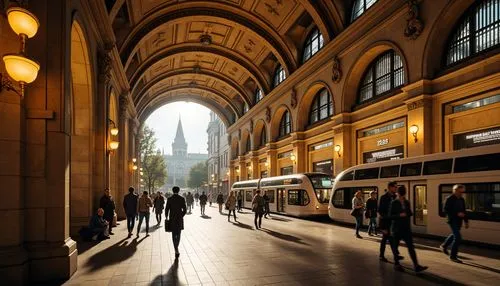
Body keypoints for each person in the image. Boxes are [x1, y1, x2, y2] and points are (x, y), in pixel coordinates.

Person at [389, 185, 428, 273]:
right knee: (395, 247)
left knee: (411, 247)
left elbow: (410, 212)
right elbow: (390, 215)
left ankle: (416, 265)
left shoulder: (407, 202)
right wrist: (399, 215)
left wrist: (408, 213)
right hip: (397, 228)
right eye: (401, 194)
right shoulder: (394, 203)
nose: (402, 196)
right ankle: (396, 264)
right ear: (398, 193)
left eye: (403, 194)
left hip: (406, 228)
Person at [441, 184, 469, 263]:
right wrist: (457, 213)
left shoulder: (462, 199)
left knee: (454, 234)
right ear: (455, 191)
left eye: (462, 192)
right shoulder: (449, 199)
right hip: (452, 220)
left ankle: (444, 245)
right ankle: (453, 256)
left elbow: (464, 211)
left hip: (459, 221)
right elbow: (446, 210)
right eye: (460, 192)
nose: (462, 193)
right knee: (458, 237)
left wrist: (466, 221)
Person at [378, 182, 401, 262]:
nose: (396, 188)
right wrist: (383, 226)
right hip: (385, 222)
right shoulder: (383, 197)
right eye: (395, 187)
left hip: (393, 223)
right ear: (390, 188)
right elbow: (380, 211)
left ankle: (394, 255)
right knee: (386, 239)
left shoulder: (396, 197)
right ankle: (386, 256)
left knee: (390, 239)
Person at [165, 186, 187, 258]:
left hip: (172, 219)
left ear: (172, 190)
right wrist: (181, 216)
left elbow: (167, 209)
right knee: (179, 233)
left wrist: (166, 217)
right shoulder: (182, 199)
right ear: (179, 190)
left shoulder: (169, 199)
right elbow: (185, 210)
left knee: (174, 234)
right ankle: (177, 247)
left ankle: (175, 248)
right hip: (179, 219)